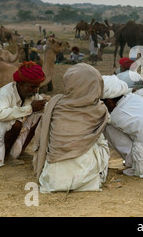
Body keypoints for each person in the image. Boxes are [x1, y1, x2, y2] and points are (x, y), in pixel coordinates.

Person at [33, 63, 110, 193]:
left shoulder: (55, 105)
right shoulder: (99, 109)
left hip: (53, 178)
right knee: (100, 141)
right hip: (85, 177)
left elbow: (41, 137)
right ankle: (90, 176)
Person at [0, 62, 47, 169]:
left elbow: (45, 107)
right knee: (14, 122)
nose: (35, 91)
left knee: (40, 115)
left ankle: (20, 152)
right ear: (21, 83)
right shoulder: (5, 93)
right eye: (32, 87)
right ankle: (6, 158)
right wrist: (30, 108)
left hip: (9, 144)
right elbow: (1, 114)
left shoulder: (31, 95)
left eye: (37, 87)